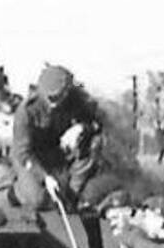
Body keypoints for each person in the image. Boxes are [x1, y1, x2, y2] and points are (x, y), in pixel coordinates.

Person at [10, 64, 104, 210]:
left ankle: (71, 196)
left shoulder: (78, 99)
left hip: (58, 153)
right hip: (31, 158)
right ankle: (16, 191)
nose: (54, 104)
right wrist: (44, 177)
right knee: (38, 200)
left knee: (94, 143)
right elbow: (23, 154)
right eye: (50, 98)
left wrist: (81, 128)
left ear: (67, 92)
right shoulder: (25, 111)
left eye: (59, 97)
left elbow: (98, 122)